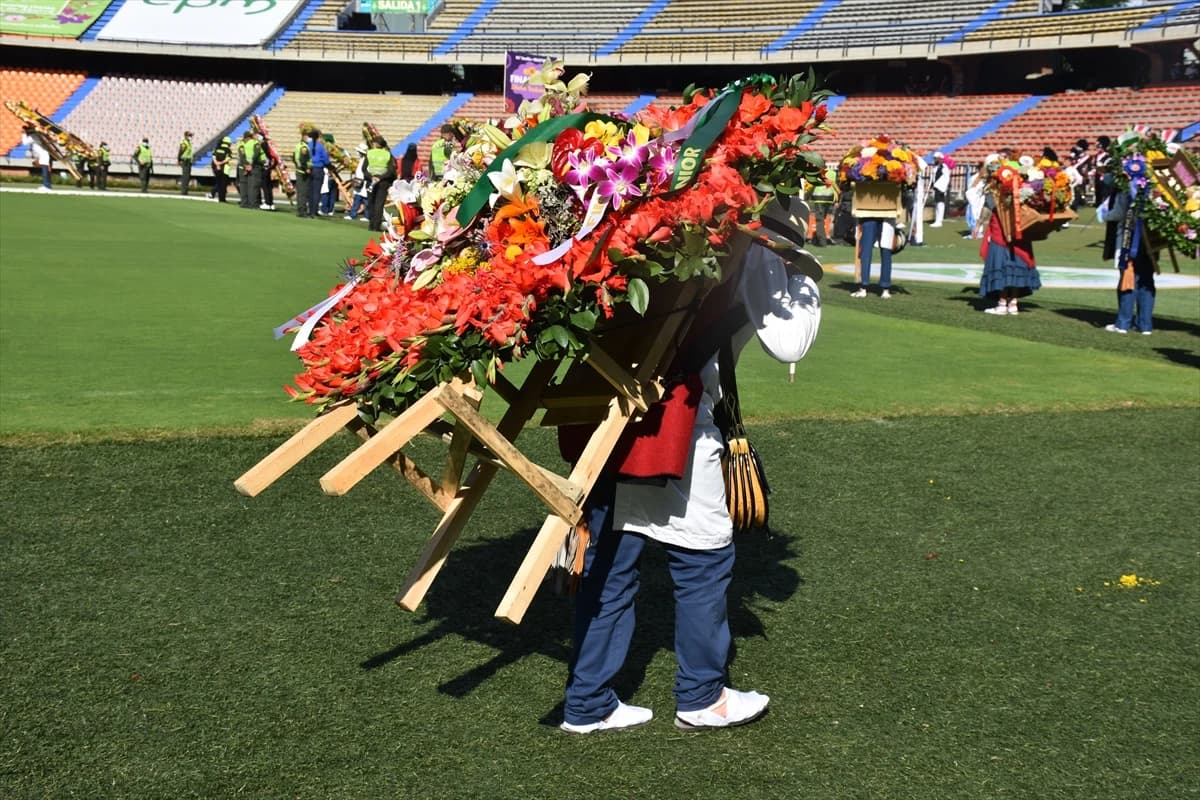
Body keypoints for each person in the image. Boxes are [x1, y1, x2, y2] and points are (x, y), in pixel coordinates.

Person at [559, 203, 822, 735]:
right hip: (676, 418)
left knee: (612, 558)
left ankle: (587, 703)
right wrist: (807, 276)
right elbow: (791, 340)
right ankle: (702, 695)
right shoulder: (754, 250)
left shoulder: (662, 228)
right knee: (703, 557)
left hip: (609, 408)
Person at [1103, 178, 1155, 335]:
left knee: (1128, 280)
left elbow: (1118, 213)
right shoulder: (1154, 187)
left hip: (1129, 241)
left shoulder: (1127, 188)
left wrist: (1104, 214)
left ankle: (1123, 323)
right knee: (1146, 282)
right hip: (1150, 241)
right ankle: (1145, 325)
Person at [976, 190, 1041, 315]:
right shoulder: (1024, 189)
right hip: (1020, 227)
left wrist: (979, 223)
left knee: (1004, 267)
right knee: (1015, 266)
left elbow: (988, 205)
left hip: (1003, 230)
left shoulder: (997, 187)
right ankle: (1013, 303)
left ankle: (1002, 303)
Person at [850, 207, 899, 299]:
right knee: (866, 252)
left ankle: (885, 287)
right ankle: (864, 286)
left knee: (885, 252)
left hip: (886, 215)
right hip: (869, 214)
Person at [365, 135, 397, 232]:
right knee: (379, 203)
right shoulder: (387, 154)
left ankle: (371, 223)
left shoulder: (369, 153)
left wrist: (372, 177)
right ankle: (376, 225)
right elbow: (391, 170)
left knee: (371, 202)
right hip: (383, 181)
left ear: (375, 144)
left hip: (371, 181)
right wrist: (381, 177)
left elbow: (363, 169)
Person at [806, 164, 837, 246]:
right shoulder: (833, 173)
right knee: (823, 219)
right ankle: (820, 237)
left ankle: (821, 241)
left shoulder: (817, 172)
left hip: (819, 197)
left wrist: (807, 196)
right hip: (829, 198)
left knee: (819, 221)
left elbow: (812, 185)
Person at [20, 126, 52, 191]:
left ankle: (46, 185)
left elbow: (25, 142)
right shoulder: (36, 134)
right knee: (46, 170)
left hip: (43, 155)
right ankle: (47, 185)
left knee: (45, 171)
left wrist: (23, 134)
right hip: (44, 154)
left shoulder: (33, 136)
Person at [344, 143, 370, 221]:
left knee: (365, 200)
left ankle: (367, 216)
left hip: (363, 182)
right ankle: (353, 214)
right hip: (359, 181)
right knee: (357, 199)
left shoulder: (366, 160)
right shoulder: (362, 159)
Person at [929, 151, 950, 227]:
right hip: (936, 188)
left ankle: (939, 221)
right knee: (937, 204)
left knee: (940, 204)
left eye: (936, 159)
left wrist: (943, 188)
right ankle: (937, 220)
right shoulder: (936, 167)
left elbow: (946, 178)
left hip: (940, 188)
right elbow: (933, 178)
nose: (934, 160)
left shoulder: (944, 167)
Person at [293, 132, 312, 217]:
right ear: (304, 137)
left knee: (300, 192)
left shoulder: (298, 145)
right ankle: (302, 211)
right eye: (308, 136)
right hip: (303, 172)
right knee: (303, 193)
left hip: (299, 170)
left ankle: (300, 210)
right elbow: (303, 159)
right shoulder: (304, 147)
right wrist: (306, 169)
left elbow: (294, 157)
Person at [238, 131, 257, 209]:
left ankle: (244, 203)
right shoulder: (248, 144)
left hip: (243, 167)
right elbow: (243, 156)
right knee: (248, 186)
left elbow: (242, 156)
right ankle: (247, 202)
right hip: (247, 166)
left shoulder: (241, 144)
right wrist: (247, 166)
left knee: (244, 186)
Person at [256, 134, 275, 211]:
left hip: (265, 167)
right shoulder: (267, 145)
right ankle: (270, 203)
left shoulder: (263, 145)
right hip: (268, 167)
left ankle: (267, 202)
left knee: (265, 186)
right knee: (268, 186)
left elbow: (264, 156)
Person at [210, 136, 231, 202]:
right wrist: (220, 163)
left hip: (215, 166)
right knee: (223, 183)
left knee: (219, 182)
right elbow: (228, 158)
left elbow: (213, 156)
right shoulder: (228, 150)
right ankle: (222, 198)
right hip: (223, 168)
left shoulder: (217, 148)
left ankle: (215, 194)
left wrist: (217, 163)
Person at [177, 131, 193, 195]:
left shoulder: (188, 143)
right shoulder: (184, 143)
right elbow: (181, 152)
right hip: (185, 161)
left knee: (187, 177)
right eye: (189, 135)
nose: (190, 137)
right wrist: (179, 160)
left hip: (188, 161)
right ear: (185, 136)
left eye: (191, 136)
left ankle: (185, 191)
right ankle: (183, 191)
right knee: (185, 176)